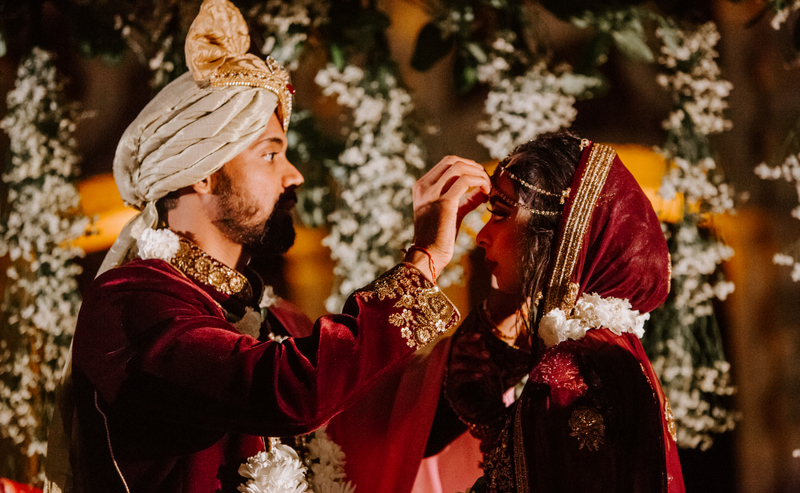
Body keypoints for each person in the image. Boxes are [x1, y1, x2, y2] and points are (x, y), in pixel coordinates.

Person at [42, 0, 490, 491]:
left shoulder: (278, 322)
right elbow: (284, 392)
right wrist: (423, 260)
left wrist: (507, 327)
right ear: (203, 175)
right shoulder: (131, 304)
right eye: (271, 154)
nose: (293, 174)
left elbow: (383, 425)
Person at [443, 131, 685, 493]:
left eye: (500, 213)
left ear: (558, 231)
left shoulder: (573, 367)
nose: (481, 236)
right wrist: (490, 420)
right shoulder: (608, 349)